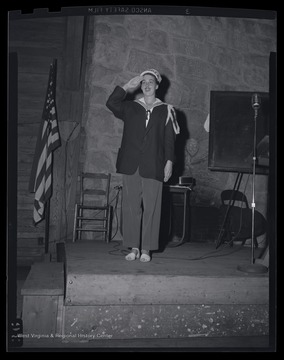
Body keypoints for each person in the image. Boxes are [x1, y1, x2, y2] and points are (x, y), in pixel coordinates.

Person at [106, 69, 180, 262]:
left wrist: (169, 163)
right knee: (131, 207)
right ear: (141, 85)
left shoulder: (167, 110)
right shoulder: (130, 107)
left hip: (154, 164)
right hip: (131, 164)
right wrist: (126, 87)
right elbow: (111, 103)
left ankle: (146, 249)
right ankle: (134, 247)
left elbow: (169, 141)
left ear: (157, 85)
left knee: (152, 208)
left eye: (151, 81)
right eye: (143, 82)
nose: (147, 85)